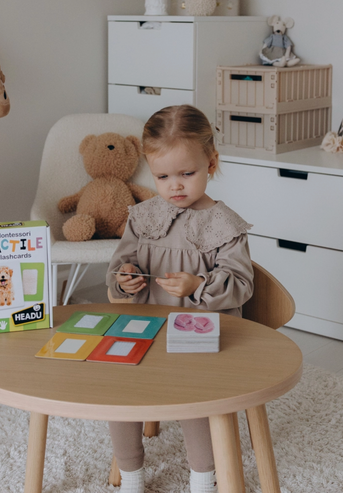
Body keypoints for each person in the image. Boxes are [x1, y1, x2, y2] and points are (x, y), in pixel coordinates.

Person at [106, 104, 255, 493]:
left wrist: (197, 286)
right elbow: (120, 265)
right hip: (148, 330)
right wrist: (127, 279)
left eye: (187, 174)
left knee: (196, 397)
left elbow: (241, 283)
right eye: (162, 176)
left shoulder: (225, 225)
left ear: (211, 162)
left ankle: (204, 478)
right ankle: (132, 476)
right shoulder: (142, 217)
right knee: (118, 389)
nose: (175, 186)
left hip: (203, 336)